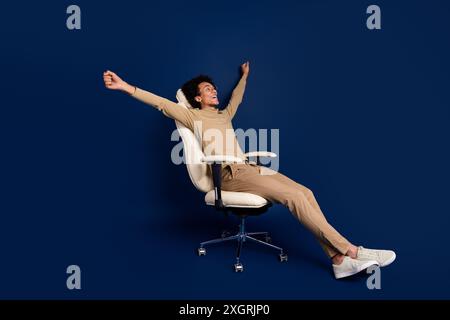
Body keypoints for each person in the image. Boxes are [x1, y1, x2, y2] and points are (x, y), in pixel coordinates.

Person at [103, 62, 396, 279]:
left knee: (305, 192)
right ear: (196, 98)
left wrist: (244, 77)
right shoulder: (190, 115)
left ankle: (338, 260)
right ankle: (352, 251)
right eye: (208, 90)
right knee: (293, 199)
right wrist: (126, 86)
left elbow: (236, 100)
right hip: (229, 175)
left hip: (249, 168)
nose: (214, 92)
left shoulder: (223, 115)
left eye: (213, 88)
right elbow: (160, 104)